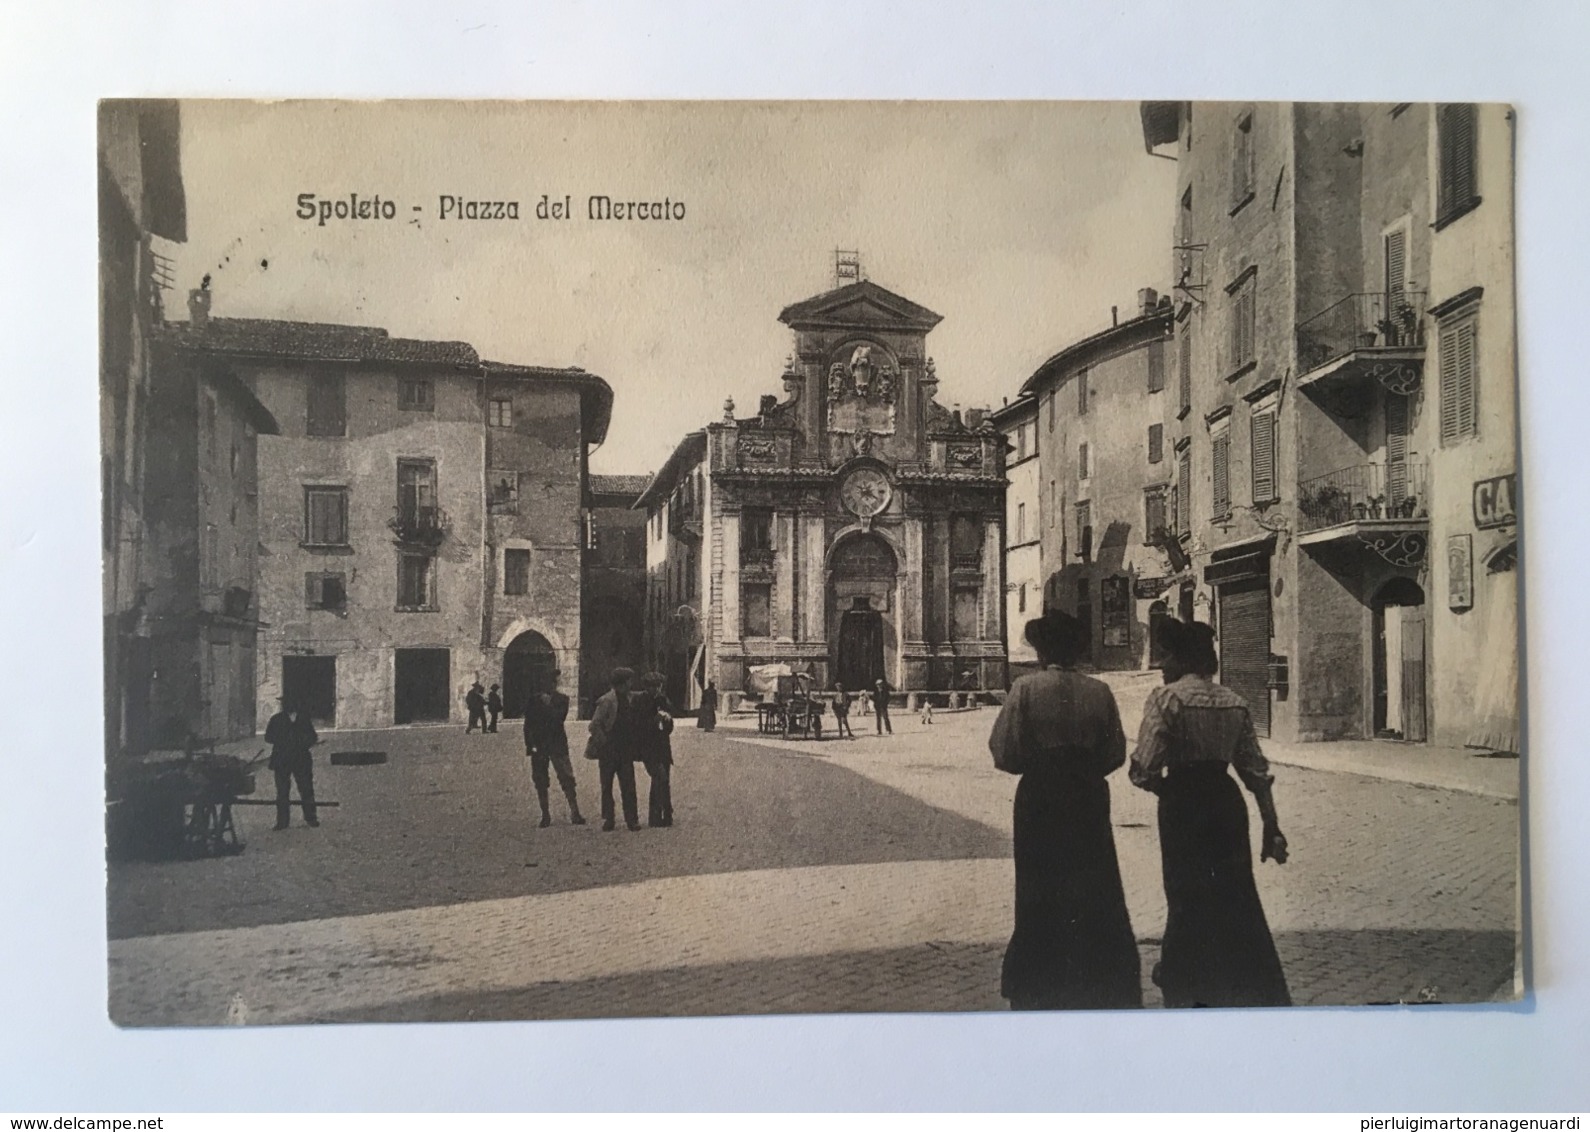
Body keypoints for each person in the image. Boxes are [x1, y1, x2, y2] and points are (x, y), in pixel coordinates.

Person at [1130, 618, 1292, 1008]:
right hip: (1226, 801)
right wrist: (1272, 827)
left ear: (1182, 658)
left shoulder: (1166, 698)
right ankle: (1238, 978)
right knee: (1234, 892)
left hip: (1183, 802)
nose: (1162, 664)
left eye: (1167, 655)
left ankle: (1187, 976)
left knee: (1185, 890)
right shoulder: (1234, 701)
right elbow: (1255, 771)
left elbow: (1142, 769)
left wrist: (1164, 788)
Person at [987, 612, 1141, 1010]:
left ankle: (1041, 975)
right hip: (1087, 794)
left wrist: (1041, 764)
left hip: (1040, 796)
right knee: (1094, 880)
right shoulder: (1099, 691)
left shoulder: (1024, 690)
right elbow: (1114, 753)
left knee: (1040, 882)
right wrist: (1082, 768)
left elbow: (1004, 752)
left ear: (1040, 650)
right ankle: (1096, 972)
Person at [523, 669, 585, 828]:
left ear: (554, 683)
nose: (548, 685)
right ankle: (545, 814)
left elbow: (558, 719)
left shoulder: (562, 700)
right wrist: (530, 746)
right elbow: (528, 724)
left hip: (557, 744)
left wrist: (547, 705)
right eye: (545, 682)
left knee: (567, 778)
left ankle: (575, 811)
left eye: (551, 682)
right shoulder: (533, 701)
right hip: (540, 745)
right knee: (540, 780)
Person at [586, 667, 641, 832]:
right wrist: (604, 743)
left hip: (625, 749)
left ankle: (632, 819)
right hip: (609, 749)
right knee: (607, 786)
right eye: (629, 681)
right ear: (622, 683)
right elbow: (594, 725)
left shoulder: (630, 698)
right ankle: (609, 819)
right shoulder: (607, 701)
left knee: (629, 785)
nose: (631, 684)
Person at [263, 698, 320, 831]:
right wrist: (283, 741)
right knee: (282, 792)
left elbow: (313, 737)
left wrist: (301, 743)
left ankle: (311, 818)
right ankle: (282, 822)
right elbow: (268, 737)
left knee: (306, 789)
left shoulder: (303, 719)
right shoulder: (276, 719)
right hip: (282, 760)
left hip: (301, 759)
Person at [634, 672, 676, 827]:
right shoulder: (640, 701)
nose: (656, 689)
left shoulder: (663, 700)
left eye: (658, 686)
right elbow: (638, 725)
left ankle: (664, 816)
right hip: (648, 747)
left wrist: (667, 721)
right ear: (647, 687)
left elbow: (669, 726)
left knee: (663, 781)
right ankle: (657, 814)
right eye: (652, 686)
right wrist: (654, 721)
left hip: (663, 746)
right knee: (660, 777)